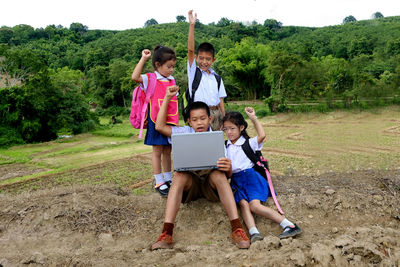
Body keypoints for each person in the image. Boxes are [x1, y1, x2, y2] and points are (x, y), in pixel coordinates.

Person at [151, 85, 250, 250]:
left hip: (212, 186)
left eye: (202, 118)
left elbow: (228, 174)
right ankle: (166, 233)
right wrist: (167, 98)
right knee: (179, 176)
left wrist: (228, 167)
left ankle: (237, 228)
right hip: (191, 186)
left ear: (210, 119)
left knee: (219, 175)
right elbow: (159, 127)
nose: (199, 123)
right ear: (189, 121)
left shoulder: (218, 137)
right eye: (194, 119)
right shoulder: (183, 132)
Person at [222, 108, 302, 243]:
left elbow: (262, 135)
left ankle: (289, 225)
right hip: (236, 180)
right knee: (243, 204)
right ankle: (254, 233)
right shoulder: (225, 145)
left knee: (254, 206)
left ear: (241, 128)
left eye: (232, 128)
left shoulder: (248, 143)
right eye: (226, 129)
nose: (229, 132)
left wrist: (253, 118)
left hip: (250, 178)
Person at [131, 46, 179, 197]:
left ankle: (168, 179)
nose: (171, 70)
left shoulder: (172, 80)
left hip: (170, 120)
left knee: (167, 151)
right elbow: (134, 77)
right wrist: (144, 58)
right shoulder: (150, 78)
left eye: (173, 67)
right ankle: (159, 181)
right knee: (157, 151)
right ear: (158, 65)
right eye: (168, 66)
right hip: (155, 120)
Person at [187, 10, 227, 131]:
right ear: (196, 58)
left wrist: (224, 118)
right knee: (201, 146)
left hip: (216, 114)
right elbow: (190, 50)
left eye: (208, 59)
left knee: (217, 146)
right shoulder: (194, 72)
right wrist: (192, 25)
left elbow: (221, 99)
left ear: (213, 60)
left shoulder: (217, 78)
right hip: (200, 115)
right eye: (201, 58)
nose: (204, 62)